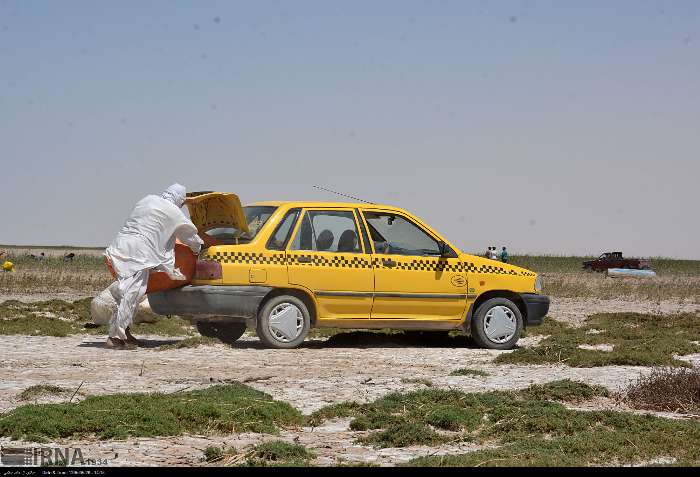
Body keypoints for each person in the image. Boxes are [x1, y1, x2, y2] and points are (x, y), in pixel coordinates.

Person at [103, 183, 203, 350]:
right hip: (138, 255)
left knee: (128, 295)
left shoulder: (147, 200)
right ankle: (114, 338)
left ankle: (124, 334)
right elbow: (189, 235)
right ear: (179, 200)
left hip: (120, 249)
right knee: (131, 295)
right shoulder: (173, 212)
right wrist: (199, 247)